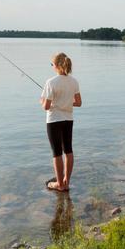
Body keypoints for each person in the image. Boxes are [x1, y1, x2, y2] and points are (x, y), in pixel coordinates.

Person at [40, 52, 82, 192]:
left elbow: (46, 106)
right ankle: (66, 182)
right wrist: (66, 103)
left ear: (57, 65)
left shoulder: (51, 82)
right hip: (68, 119)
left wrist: (43, 102)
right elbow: (78, 102)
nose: (52, 66)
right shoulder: (74, 81)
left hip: (53, 120)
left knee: (56, 152)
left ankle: (59, 184)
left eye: (52, 64)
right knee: (68, 150)